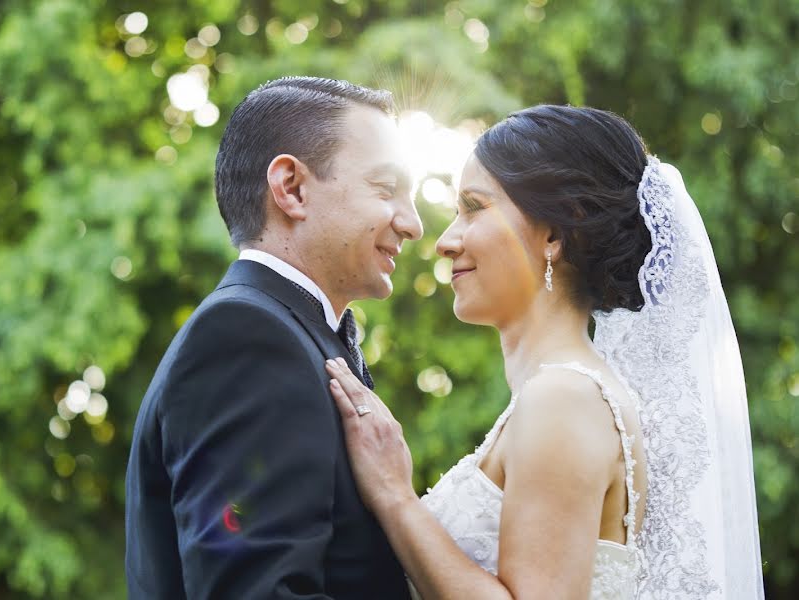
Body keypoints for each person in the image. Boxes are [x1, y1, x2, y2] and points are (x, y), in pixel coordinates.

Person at [324, 105, 765, 599]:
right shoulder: (564, 392)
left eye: (474, 207)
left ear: (554, 233)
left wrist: (394, 495)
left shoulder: (564, 398)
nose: (445, 242)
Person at [124, 76, 423, 599]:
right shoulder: (245, 338)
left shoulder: (296, 333)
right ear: (291, 188)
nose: (414, 224)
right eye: (385, 188)